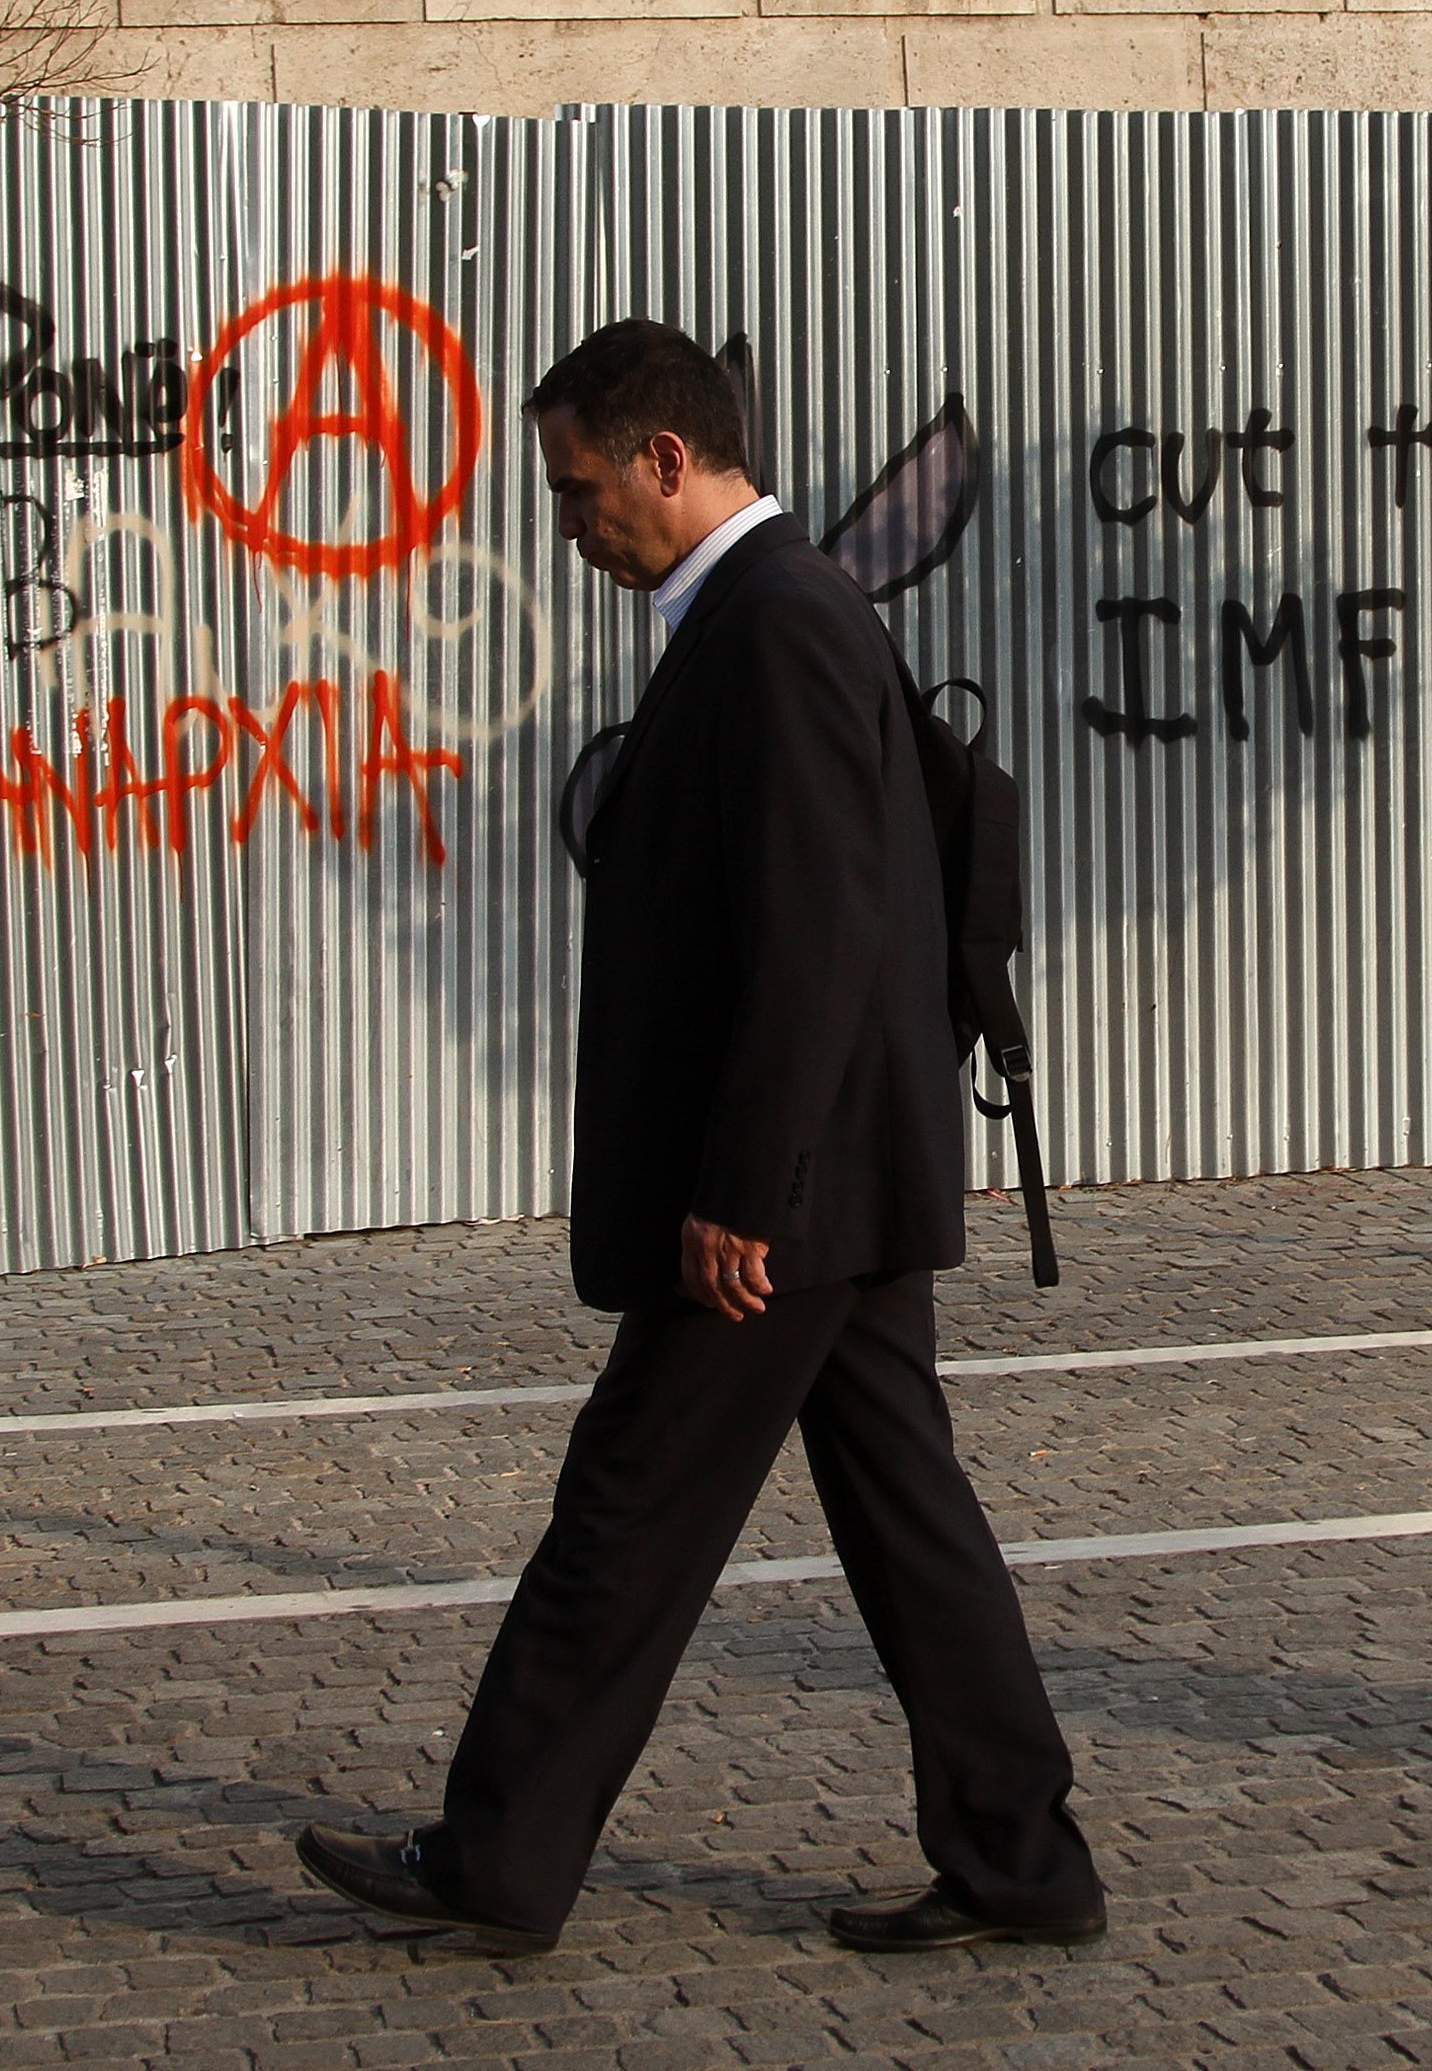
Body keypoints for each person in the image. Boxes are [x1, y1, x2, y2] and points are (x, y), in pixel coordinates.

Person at [294, 319, 1103, 1956]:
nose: (569, 525)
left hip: (784, 1201)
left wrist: (743, 1190)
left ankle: (497, 1858)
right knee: (908, 1518)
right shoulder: (775, 607)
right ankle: (1023, 1861)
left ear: (666, 458)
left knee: (628, 1507)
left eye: (578, 488)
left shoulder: (776, 620)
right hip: (840, 1180)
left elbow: (816, 930)